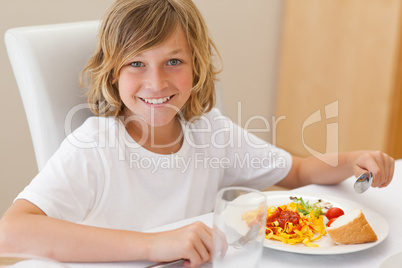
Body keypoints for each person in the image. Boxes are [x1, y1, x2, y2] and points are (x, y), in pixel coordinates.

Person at [0, 0, 395, 267]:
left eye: (173, 61)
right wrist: (156, 243)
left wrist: (350, 161)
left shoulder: (212, 133)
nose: (156, 82)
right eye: (137, 63)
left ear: (197, 69)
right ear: (112, 73)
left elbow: (298, 173)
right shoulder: (95, 144)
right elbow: (11, 233)